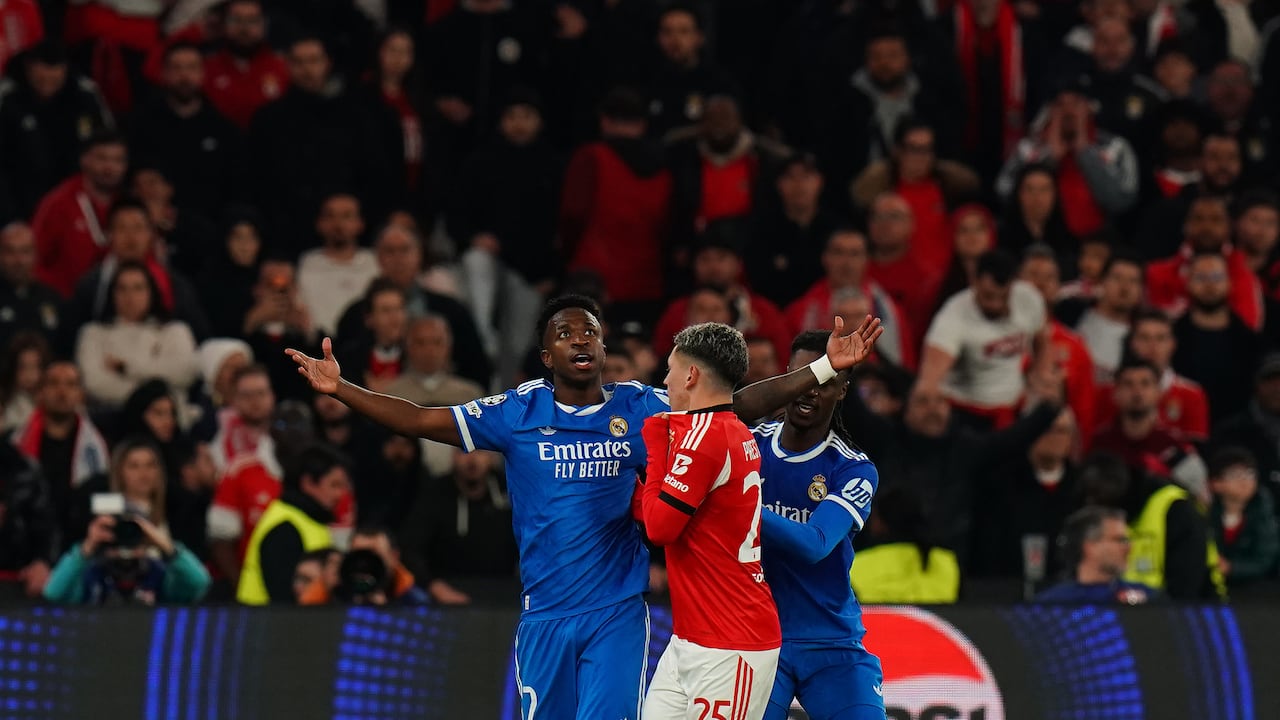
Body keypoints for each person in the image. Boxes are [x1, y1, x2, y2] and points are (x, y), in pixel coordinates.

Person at [286, 293, 881, 719]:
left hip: (616, 614)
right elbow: (419, 419)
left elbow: (736, 402)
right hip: (543, 616)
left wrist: (827, 366)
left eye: (591, 332)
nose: (581, 340)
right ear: (546, 356)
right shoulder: (515, 413)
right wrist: (341, 388)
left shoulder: (645, 405)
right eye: (566, 333)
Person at [638, 322, 780, 719]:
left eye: (669, 369)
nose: (664, 380)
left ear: (691, 375)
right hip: (691, 637)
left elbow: (660, 529)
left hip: (732, 641)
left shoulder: (704, 438)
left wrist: (654, 450)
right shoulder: (731, 429)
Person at [751, 331, 885, 720]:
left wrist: (743, 505)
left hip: (830, 641)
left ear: (841, 390)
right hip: (758, 641)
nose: (808, 391)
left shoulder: (853, 468)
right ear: (787, 377)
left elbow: (816, 542)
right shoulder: (747, 446)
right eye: (802, 376)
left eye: (823, 381)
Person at [236, 442, 348, 605]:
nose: (340, 494)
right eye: (334, 485)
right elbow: (285, 599)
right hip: (261, 625)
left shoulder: (310, 520)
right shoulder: (285, 528)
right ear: (308, 483)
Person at [1035, 505, 1159, 604]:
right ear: (1090, 546)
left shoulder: (1148, 598)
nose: (1129, 547)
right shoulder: (1053, 604)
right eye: (1120, 540)